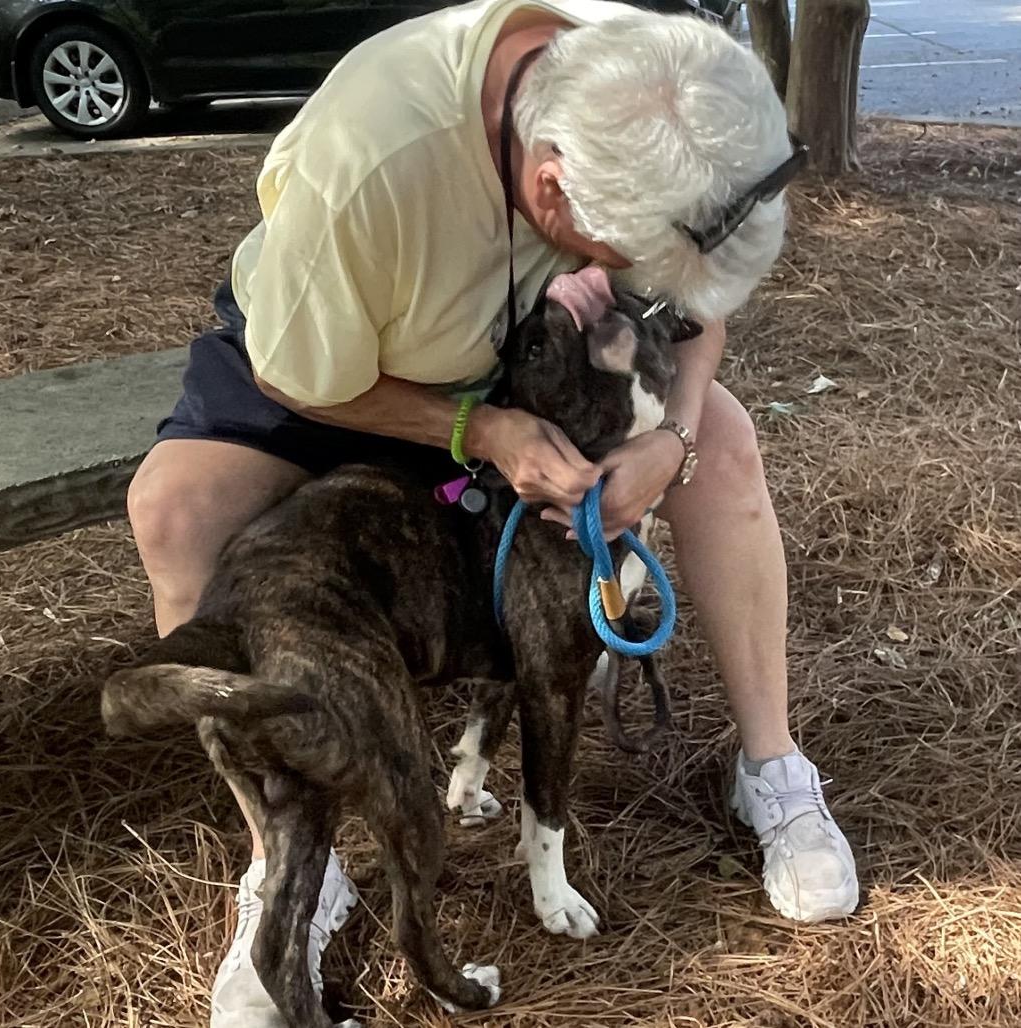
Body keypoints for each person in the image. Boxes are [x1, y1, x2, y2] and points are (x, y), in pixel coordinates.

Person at [126, 1, 860, 1024]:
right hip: (349, 364)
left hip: (511, 352)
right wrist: (480, 429)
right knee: (176, 505)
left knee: (729, 447)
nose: (647, 293)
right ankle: (289, 859)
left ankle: (771, 768)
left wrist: (672, 439)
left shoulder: (661, 86)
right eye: (627, 265)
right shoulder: (370, 163)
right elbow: (299, 373)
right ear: (549, 187)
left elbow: (697, 296)